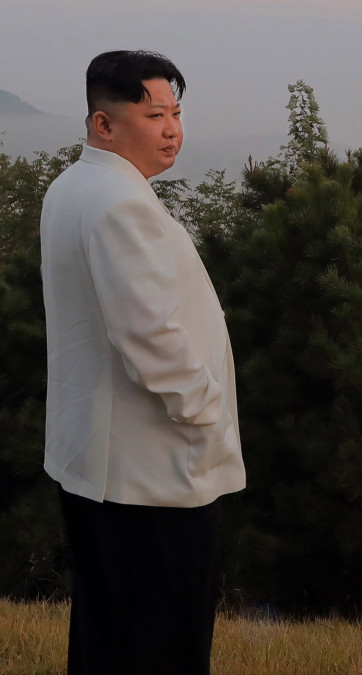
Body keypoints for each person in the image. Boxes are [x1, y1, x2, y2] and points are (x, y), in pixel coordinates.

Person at [40, 50, 245, 674]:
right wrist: (204, 409)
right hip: (149, 471)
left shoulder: (75, 186)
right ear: (103, 124)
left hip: (97, 464)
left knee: (109, 635)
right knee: (163, 643)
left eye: (176, 113)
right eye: (154, 113)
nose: (172, 129)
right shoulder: (119, 204)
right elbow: (151, 338)